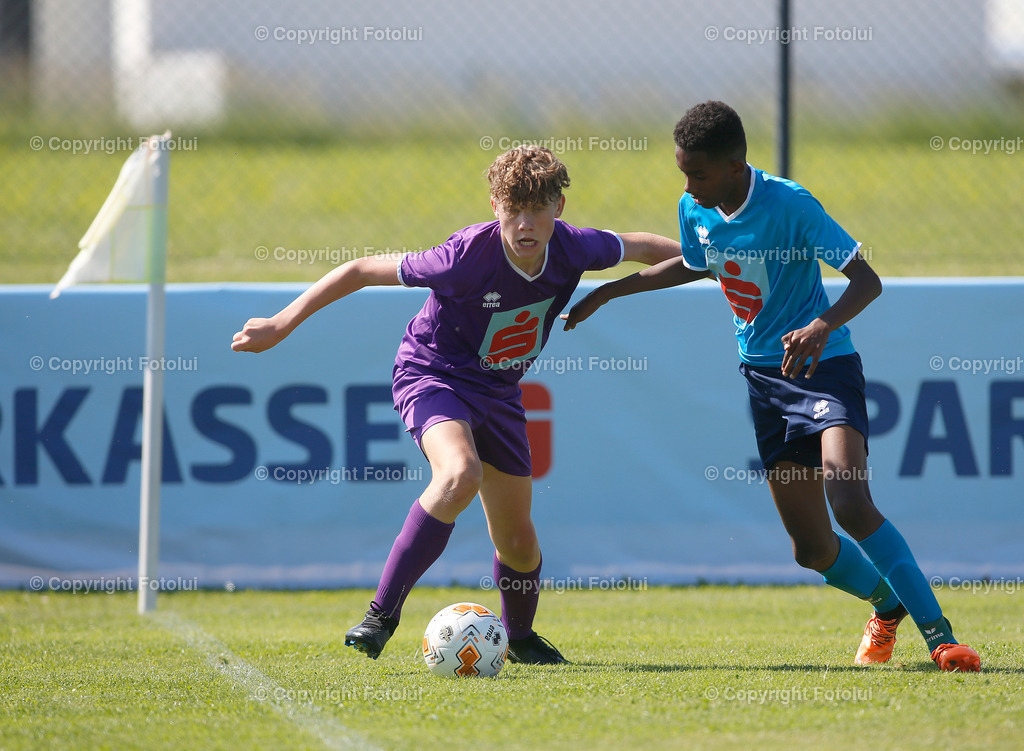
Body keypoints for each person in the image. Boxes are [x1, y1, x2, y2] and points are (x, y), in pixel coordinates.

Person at [562, 101, 981, 672]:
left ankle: (941, 639)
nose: (687, 185)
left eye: (698, 173)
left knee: (850, 500)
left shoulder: (790, 204)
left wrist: (821, 325)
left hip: (824, 367)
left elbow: (866, 280)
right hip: (765, 381)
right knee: (811, 550)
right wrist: (608, 292)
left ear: (736, 166)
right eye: (683, 171)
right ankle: (886, 606)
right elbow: (694, 263)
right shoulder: (696, 207)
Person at [231, 145, 682, 664]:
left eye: (538, 209)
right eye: (514, 209)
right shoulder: (464, 256)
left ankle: (520, 639)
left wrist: (715, 266)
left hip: (500, 393)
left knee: (518, 542)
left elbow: (644, 245)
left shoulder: (575, 248)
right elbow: (358, 271)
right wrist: (280, 324)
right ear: (495, 206)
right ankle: (380, 616)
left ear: (559, 207)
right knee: (458, 474)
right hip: (432, 376)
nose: (526, 223)